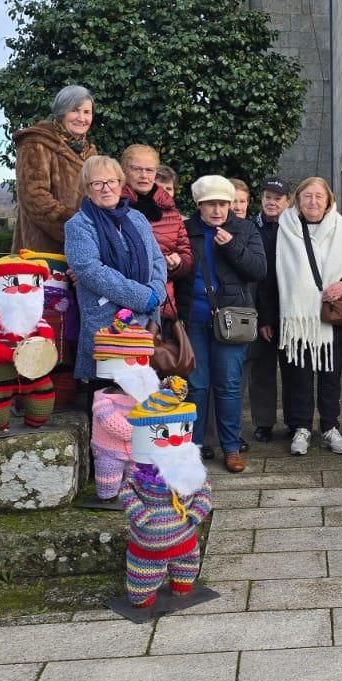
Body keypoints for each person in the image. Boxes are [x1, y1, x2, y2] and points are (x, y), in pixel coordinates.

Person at [173, 175, 267, 473]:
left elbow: (258, 270)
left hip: (232, 320)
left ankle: (231, 447)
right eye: (211, 204)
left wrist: (231, 247)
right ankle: (194, 447)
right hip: (194, 318)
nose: (218, 210)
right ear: (199, 205)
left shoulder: (244, 229)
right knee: (197, 386)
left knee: (228, 385)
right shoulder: (186, 231)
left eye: (223, 204)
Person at [275, 177, 342, 456]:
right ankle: (301, 428)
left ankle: (330, 427)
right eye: (307, 196)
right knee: (299, 376)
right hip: (296, 321)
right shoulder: (284, 229)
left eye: (319, 196)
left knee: (331, 376)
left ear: (329, 200)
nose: (313, 202)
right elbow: (272, 277)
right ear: (297, 200)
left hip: (333, 318)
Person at [64, 155, 166, 393]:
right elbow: (90, 270)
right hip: (107, 326)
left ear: (121, 184)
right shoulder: (78, 225)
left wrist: (156, 292)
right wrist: (142, 297)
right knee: (106, 402)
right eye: (97, 184)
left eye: (111, 181)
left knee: (139, 399)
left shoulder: (137, 218)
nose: (106, 188)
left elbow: (158, 259)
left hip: (144, 322)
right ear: (87, 189)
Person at [14, 85, 97, 254]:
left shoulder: (89, 151)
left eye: (87, 112)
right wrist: (77, 229)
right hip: (43, 251)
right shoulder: (36, 143)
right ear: (61, 113)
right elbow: (35, 198)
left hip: (84, 250)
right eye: (75, 110)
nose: (82, 118)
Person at [120, 145, 193, 321]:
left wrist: (177, 264)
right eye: (137, 169)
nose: (144, 175)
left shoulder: (170, 211)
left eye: (149, 170)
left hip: (161, 305)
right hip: (119, 303)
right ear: (123, 171)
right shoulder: (111, 205)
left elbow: (187, 256)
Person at [248, 176, 291, 442]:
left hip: (290, 311)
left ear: (288, 201)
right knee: (261, 371)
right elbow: (259, 278)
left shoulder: (295, 228)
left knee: (293, 370)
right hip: (261, 309)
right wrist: (264, 317)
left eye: (277, 198)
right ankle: (263, 422)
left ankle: (294, 420)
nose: (271, 202)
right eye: (267, 197)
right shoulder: (252, 228)